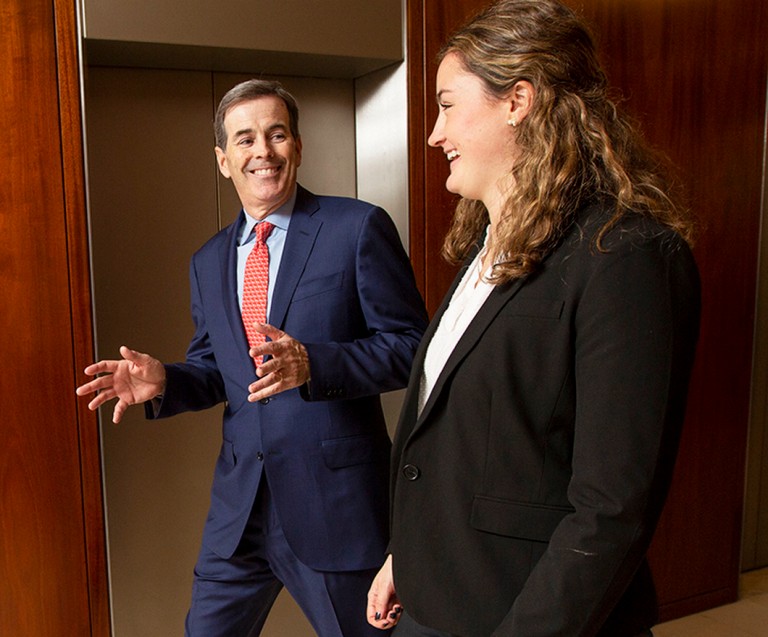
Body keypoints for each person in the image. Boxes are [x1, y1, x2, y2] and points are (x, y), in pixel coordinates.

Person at [366, 1, 701, 635]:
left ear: (517, 100)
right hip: (436, 599)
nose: (434, 134)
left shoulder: (626, 256)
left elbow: (611, 510)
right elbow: (466, 445)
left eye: (445, 104)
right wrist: (406, 558)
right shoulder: (481, 249)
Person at [76, 79, 428, 637]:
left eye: (276, 134)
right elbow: (220, 368)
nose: (262, 151)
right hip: (239, 514)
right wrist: (165, 379)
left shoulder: (356, 228)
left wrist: (314, 363)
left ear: (298, 146)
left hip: (334, 506)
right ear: (223, 160)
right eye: (244, 140)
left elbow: (413, 348)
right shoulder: (208, 260)